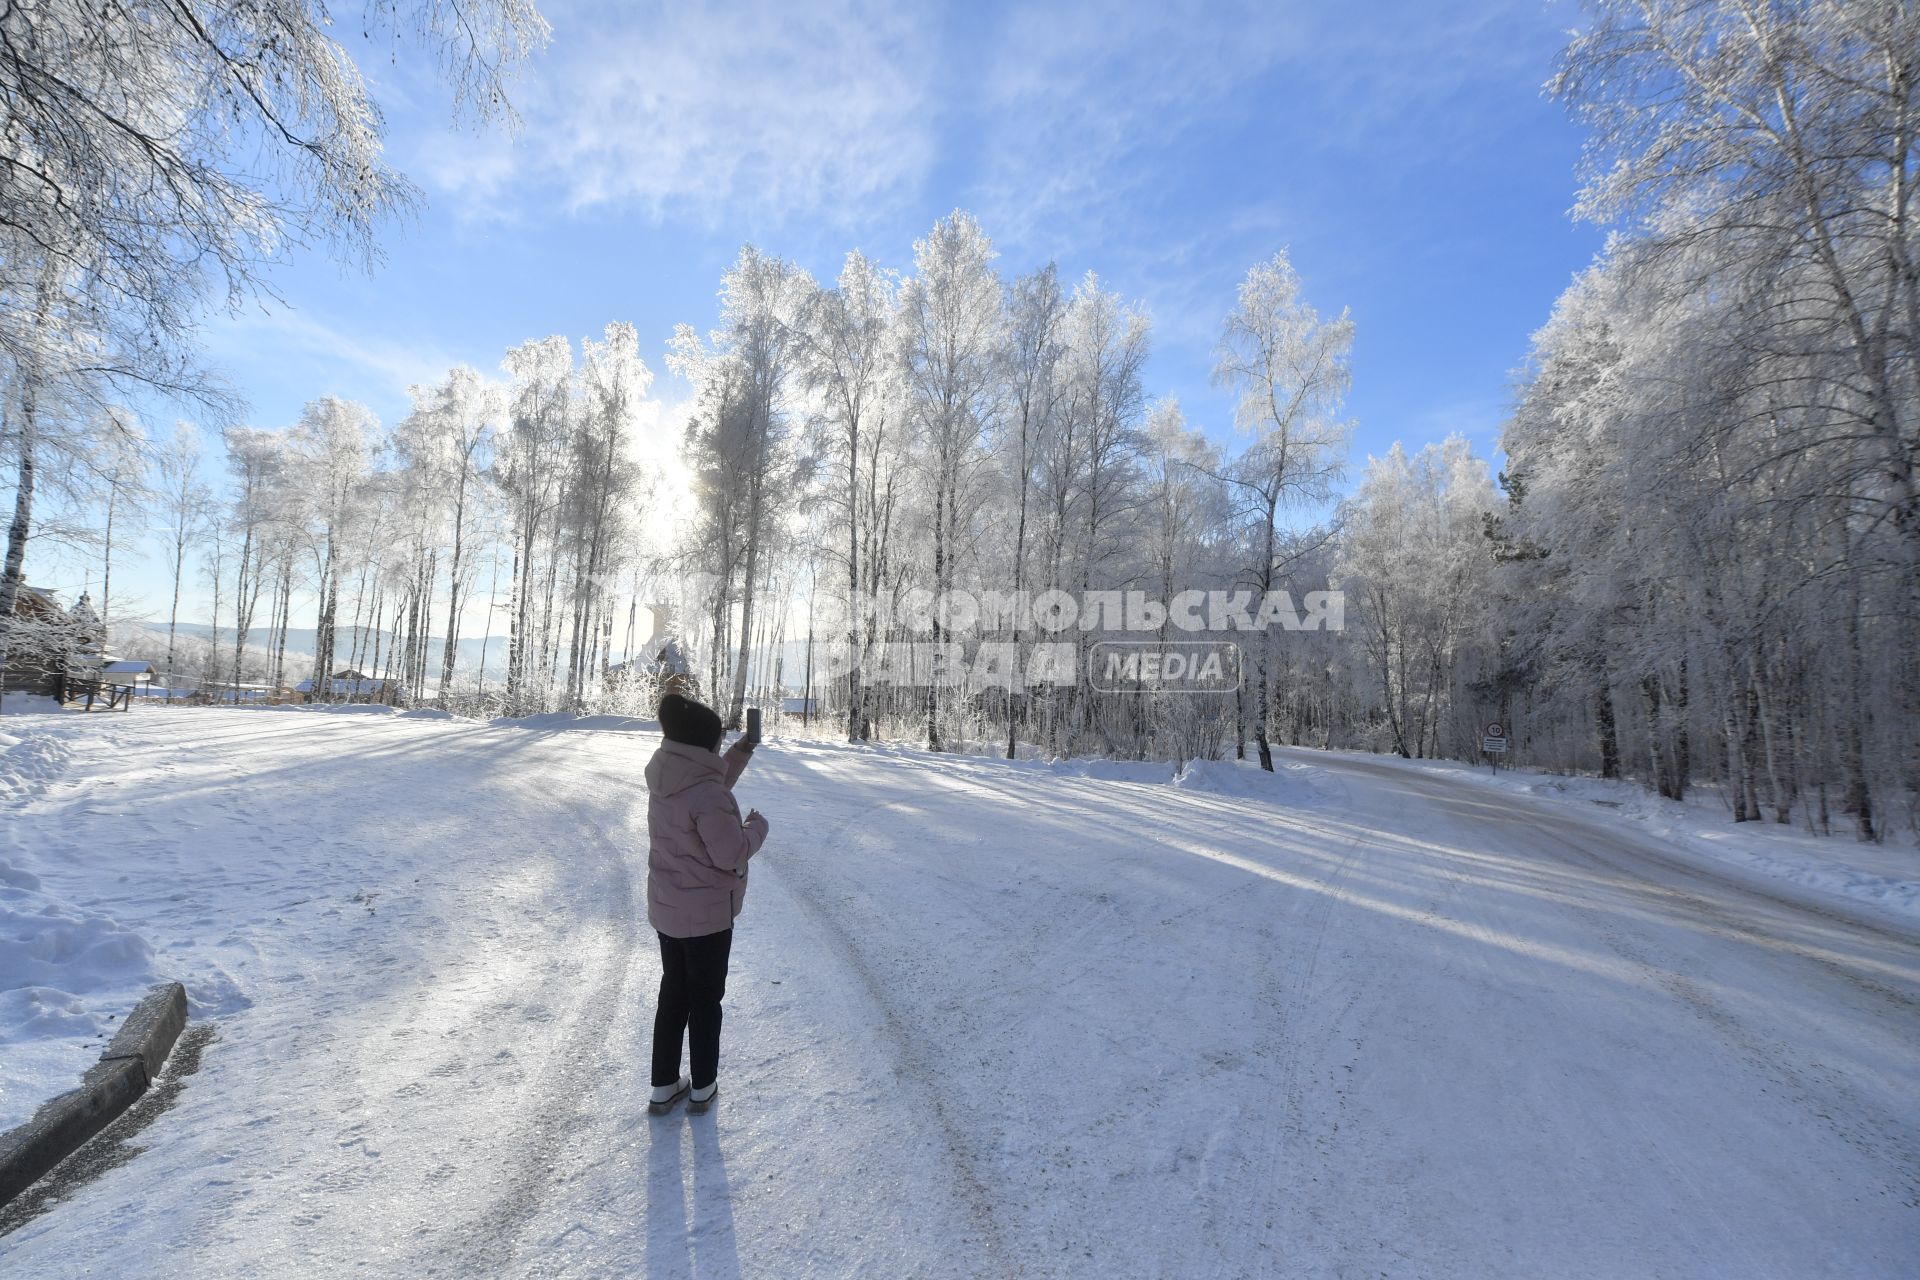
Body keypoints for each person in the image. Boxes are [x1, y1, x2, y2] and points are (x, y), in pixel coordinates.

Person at [646, 693, 769, 1115]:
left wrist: (742, 750)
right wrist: (756, 829)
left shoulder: (667, 773)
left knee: (673, 996)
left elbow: (708, 785)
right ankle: (703, 1086)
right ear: (704, 747)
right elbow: (731, 853)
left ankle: (663, 1084)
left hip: (669, 911)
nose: (720, 749)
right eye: (719, 742)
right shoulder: (707, 795)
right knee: (705, 1000)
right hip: (708, 919)